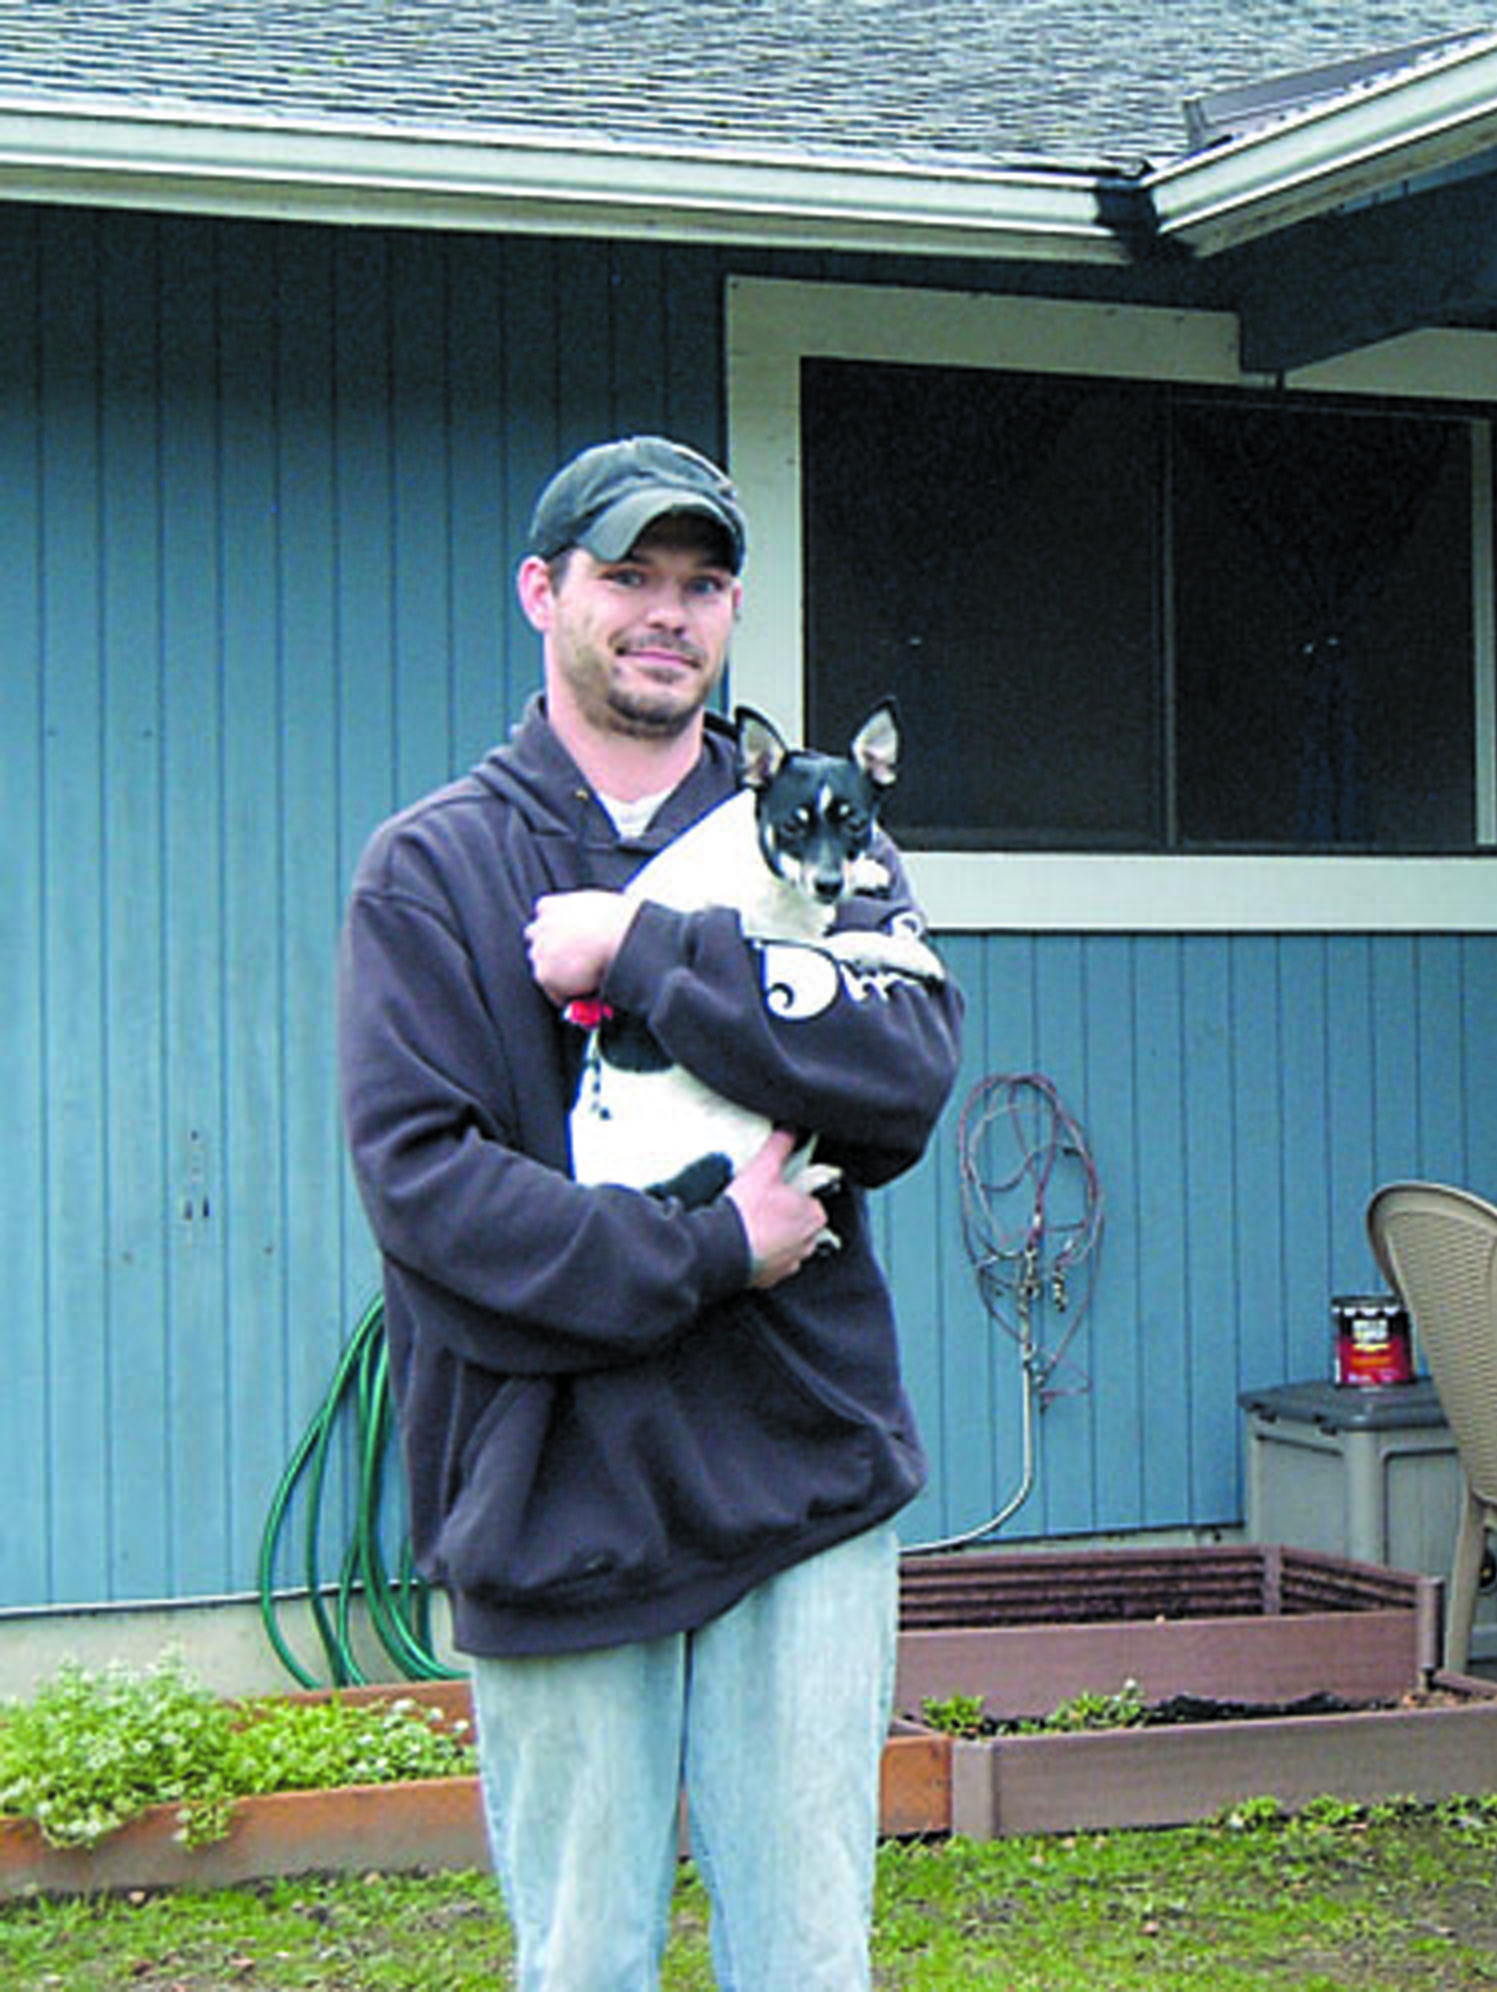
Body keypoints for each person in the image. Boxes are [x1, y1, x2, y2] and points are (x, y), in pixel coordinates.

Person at [337, 435, 965, 1990]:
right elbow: (430, 1190)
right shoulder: (436, 869)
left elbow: (901, 1070)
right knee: (584, 1963)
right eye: (627, 577)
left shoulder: (828, 843)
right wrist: (709, 1250)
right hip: (555, 1499)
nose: (666, 614)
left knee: (809, 1963)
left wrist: (645, 953)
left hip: (799, 1481)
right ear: (544, 592)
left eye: (700, 584)